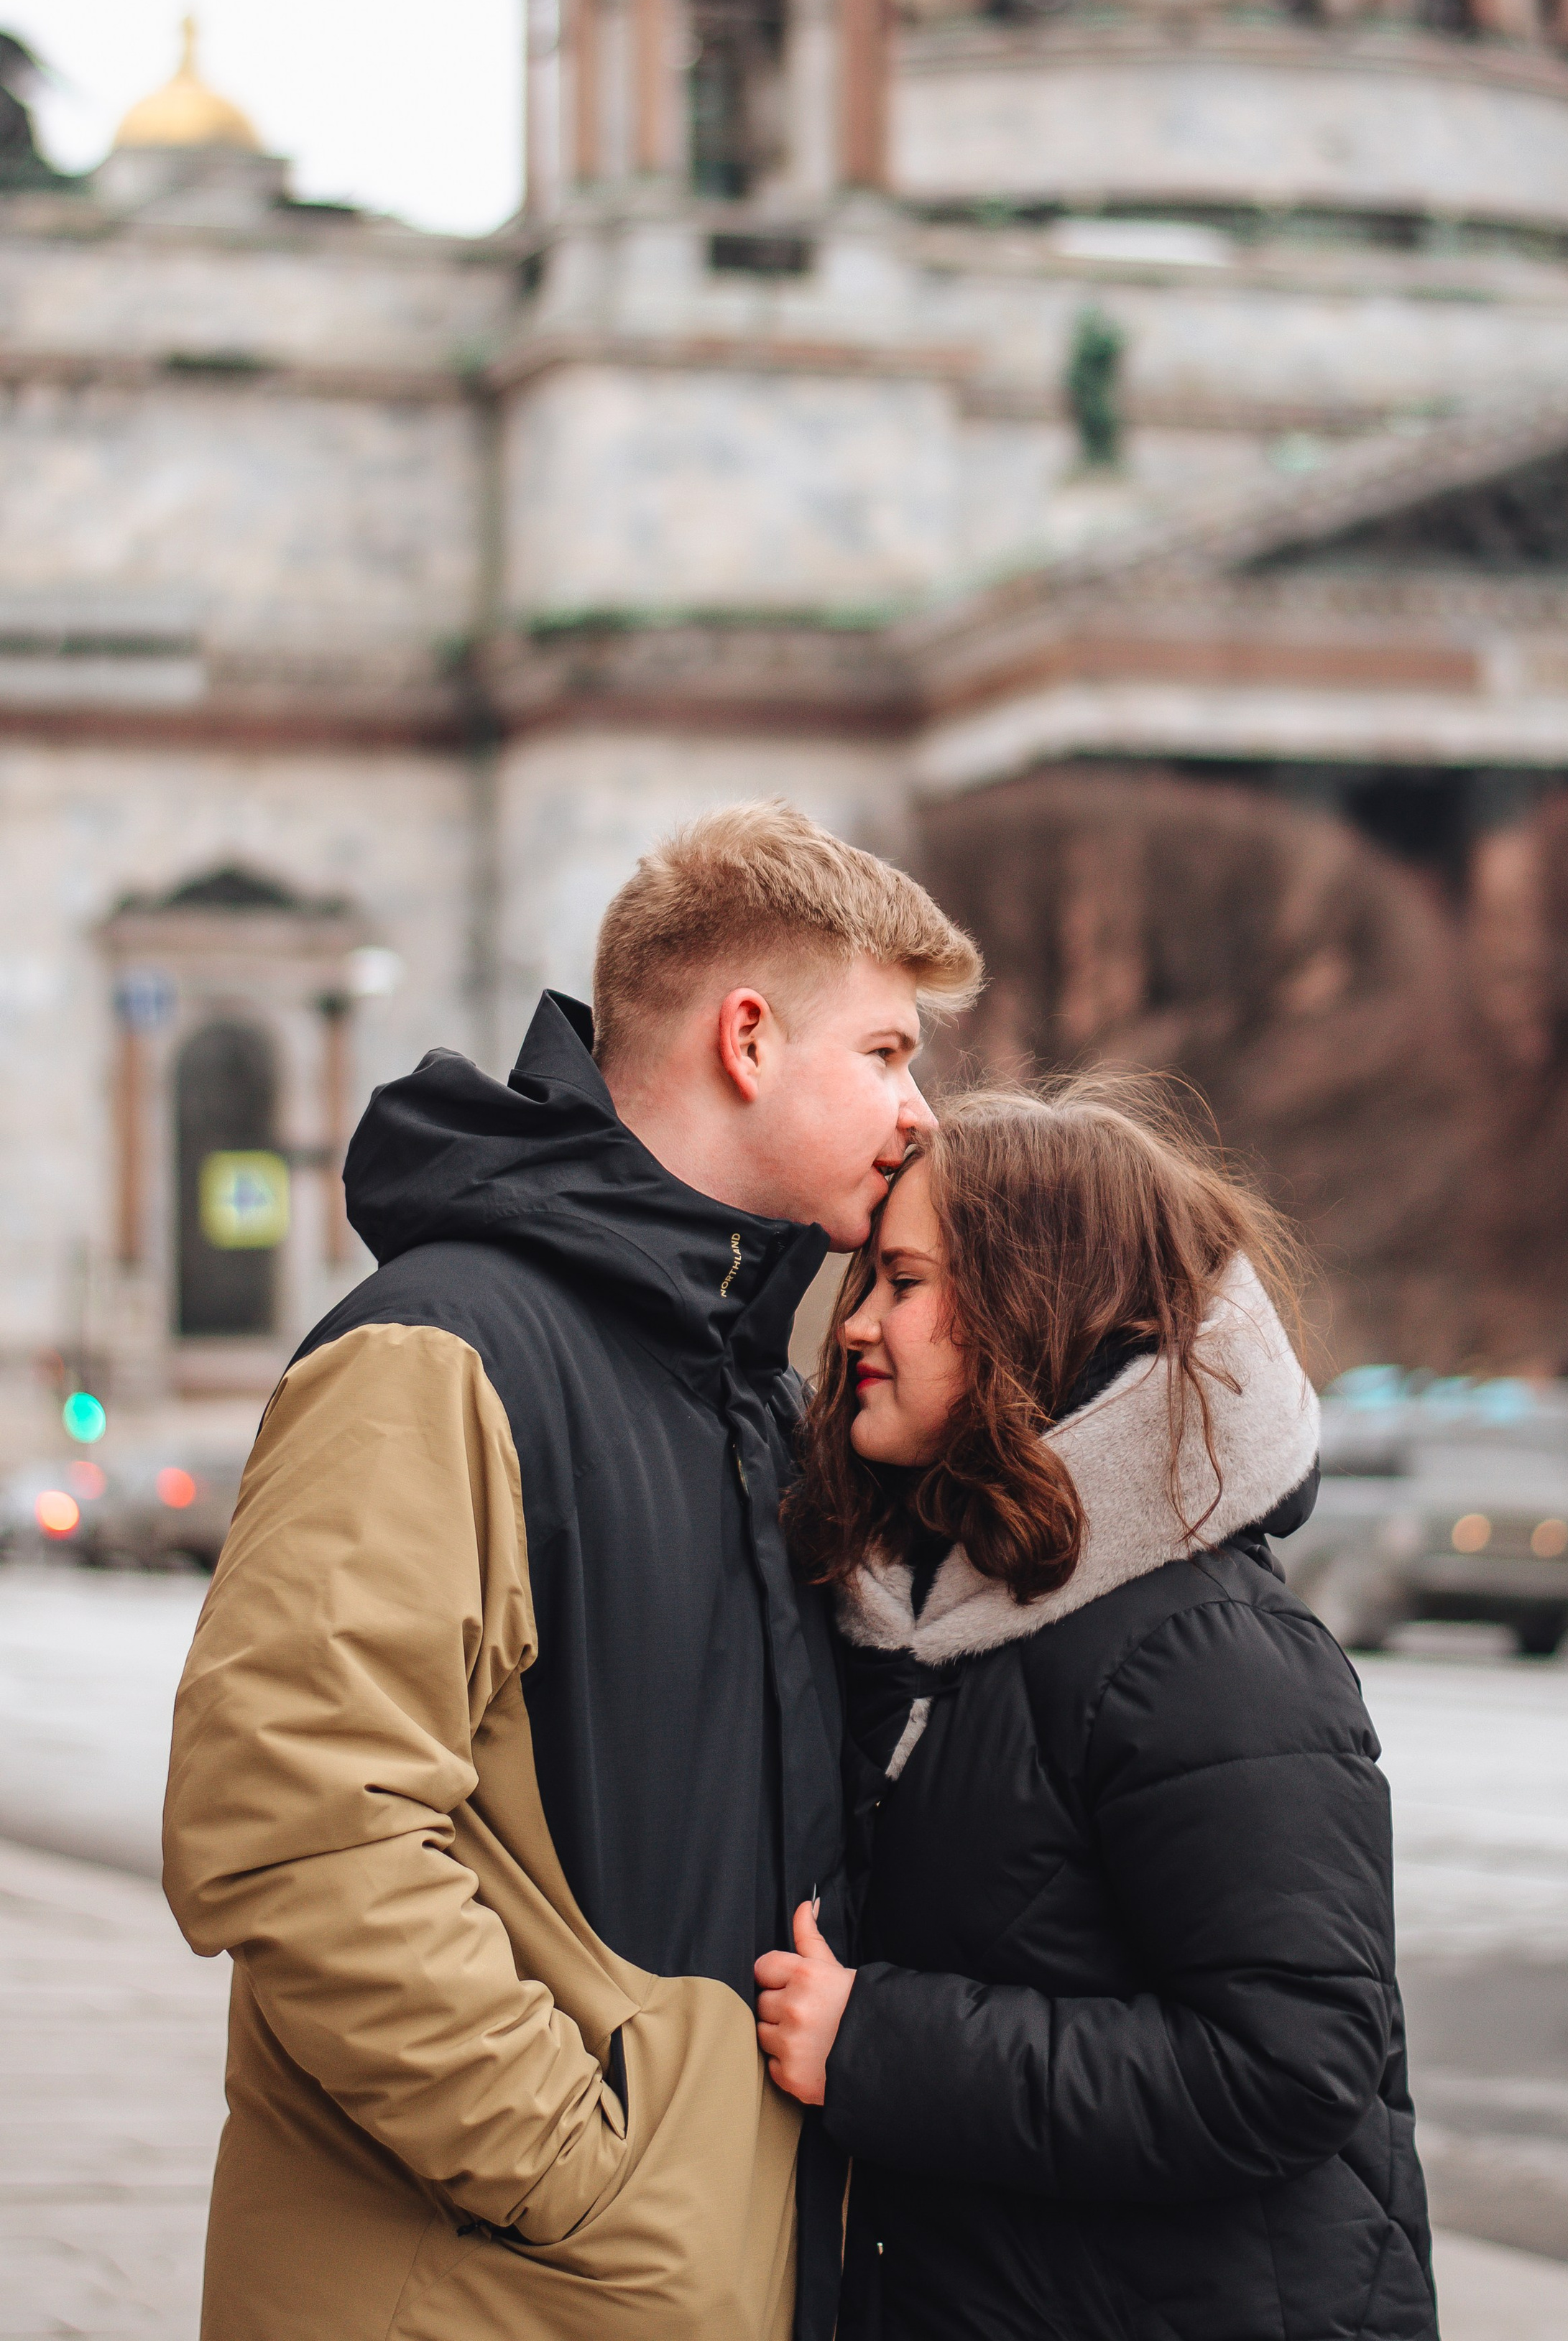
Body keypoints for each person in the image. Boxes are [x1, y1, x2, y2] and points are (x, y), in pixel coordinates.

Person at [162, 800, 982, 2341]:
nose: (918, 1110)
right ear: (747, 1037)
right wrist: (586, 2174)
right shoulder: (443, 1351)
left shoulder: (737, 1383)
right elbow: (292, 1823)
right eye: (884, 1052)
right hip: (502, 2286)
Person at [754, 1080, 1438, 2341]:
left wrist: (877, 2046)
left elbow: (1290, 2067)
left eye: (905, 1285)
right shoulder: (922, 1617)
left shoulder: (1204, 1648)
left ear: (1035, 1308)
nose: (856, 1327)